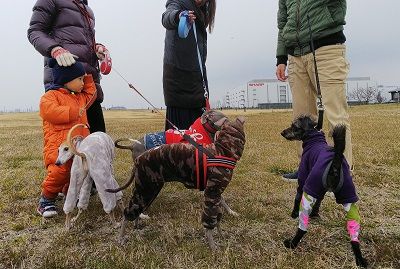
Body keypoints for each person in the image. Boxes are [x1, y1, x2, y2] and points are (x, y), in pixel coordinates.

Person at [275, 0, 353, 181]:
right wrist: (281, 57)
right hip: (295, 55)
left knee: (336, 115)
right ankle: (307, 167)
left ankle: (340, 172)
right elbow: (282, 24)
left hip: (327, 48)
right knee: (302, 116)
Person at [27, 0, 110, 134]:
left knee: (98, 142)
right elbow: (34, 31)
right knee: (68, 146)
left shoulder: (86, 9)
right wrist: (55, 49)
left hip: (89, 84)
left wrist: (96, 48)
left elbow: (83, 42)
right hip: (64, 84)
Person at [37, 59, 97, 217]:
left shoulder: (80, 97)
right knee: (59, 171)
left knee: (77, 172)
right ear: (66, 79)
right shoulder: (51, 96)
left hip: (79, 146)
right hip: (59, 146)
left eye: (83, 80)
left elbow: (92, 94)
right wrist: (71, 112)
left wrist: (87, 75)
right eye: (79, 79)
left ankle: (68, 192)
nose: (83, 83)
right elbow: (48, 111)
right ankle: (46, 198)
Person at [162, 0, 216, 130]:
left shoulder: (202, 12)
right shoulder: (178, 3)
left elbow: (200, 62)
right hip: (178, 83)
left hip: (196, 84)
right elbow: (166, 17)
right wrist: (179, 15)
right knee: (178, 142)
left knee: (199, 140)